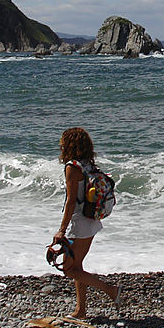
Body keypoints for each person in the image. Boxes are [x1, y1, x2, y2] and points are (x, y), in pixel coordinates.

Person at [52, 127, 122, 318]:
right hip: (91, 219)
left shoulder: (72, 167)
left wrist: (61, 230)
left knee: (68, 269)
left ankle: (111, 290)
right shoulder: (88, 165)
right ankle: (80, 310)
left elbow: (71, 200)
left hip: (79, 224)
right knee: (77, 267)